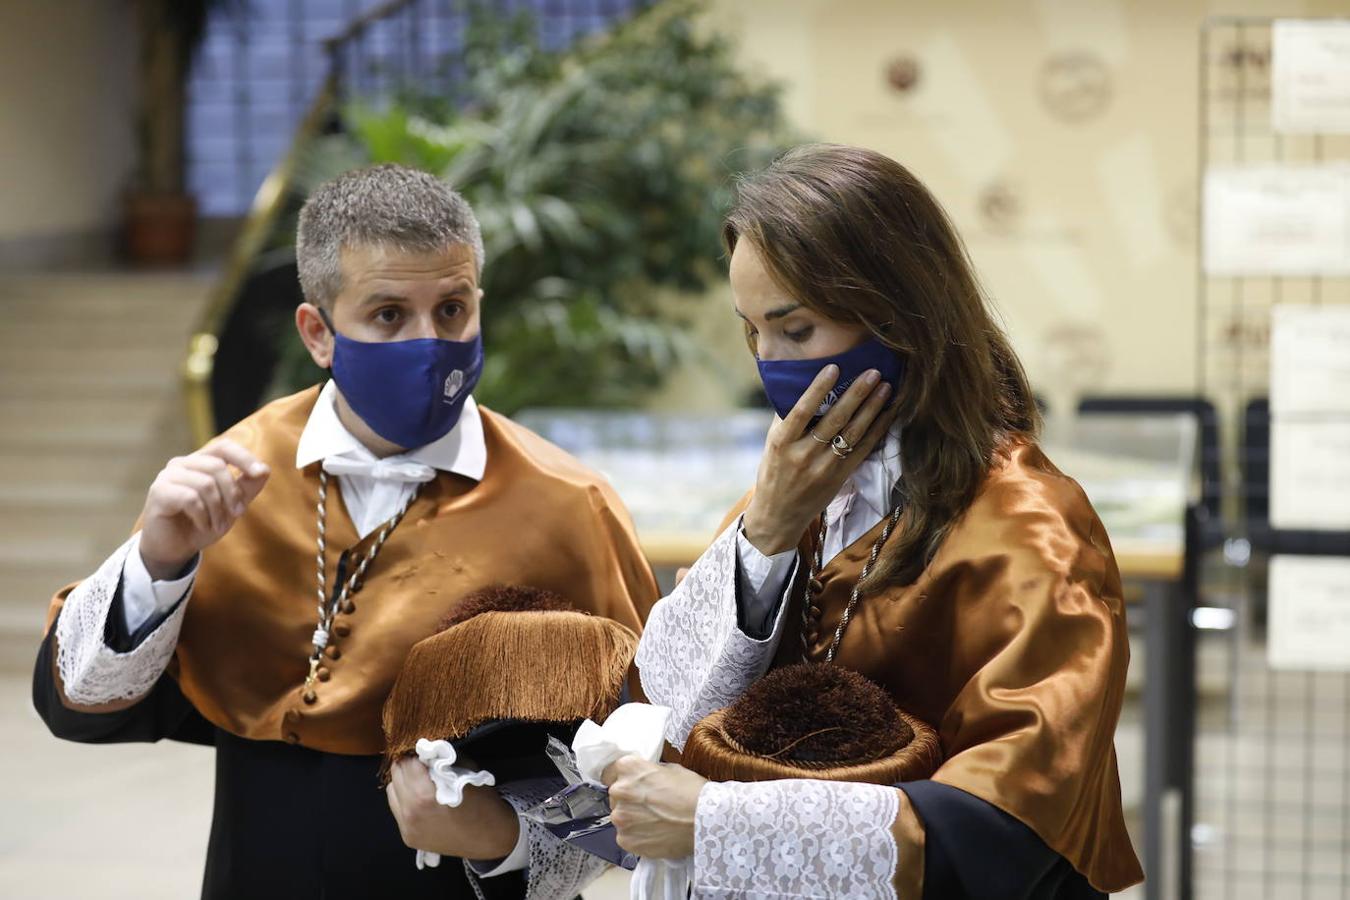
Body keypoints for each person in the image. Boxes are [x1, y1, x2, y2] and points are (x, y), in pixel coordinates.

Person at [33, 164, 658, 900]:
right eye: (389, 315)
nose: (432, 343)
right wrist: (159, 560)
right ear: (318, 333)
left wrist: (504, 836)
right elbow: (80, 701)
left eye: (452, 310)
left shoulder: (566, 504)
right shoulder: (236, 477)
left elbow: (647, 776)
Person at [600, 144, 1144, 899]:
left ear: (900, 317)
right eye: (752, 331)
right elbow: (666, 705)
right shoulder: (800, 488)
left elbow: (1011, 821)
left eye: (796, 332)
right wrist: (765, 532)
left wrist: (723, 825)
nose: (770, 362)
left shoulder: (1031, 525)